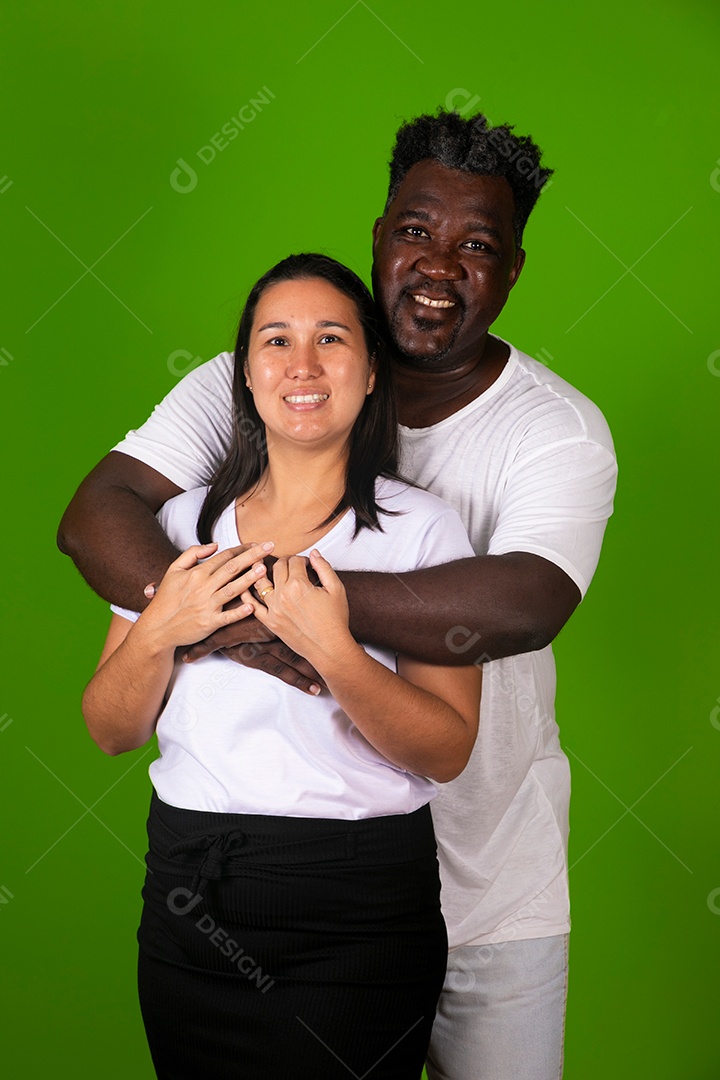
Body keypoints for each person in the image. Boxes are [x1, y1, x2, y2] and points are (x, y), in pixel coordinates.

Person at [60, 109, 617, 1080]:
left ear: (514, 270)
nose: (438, 265)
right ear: (378, 235)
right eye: (414, 231)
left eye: (475, 245)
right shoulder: (252, 391)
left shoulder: (553, 433)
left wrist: (300, 618)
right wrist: (214, 616)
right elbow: (98, 516)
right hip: (246, 882)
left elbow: (523, 603)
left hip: (488, 887)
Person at [82, 253, 483, 1079]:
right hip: (191, 904)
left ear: (372, 372)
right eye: (276, 341)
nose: (302, 366)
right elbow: (111, 730)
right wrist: (164, 626)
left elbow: (446, 750)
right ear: (246, 372)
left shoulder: (426, 533)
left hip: (358, 921)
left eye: (331, 338)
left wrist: (333, 648)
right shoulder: (177, 524)